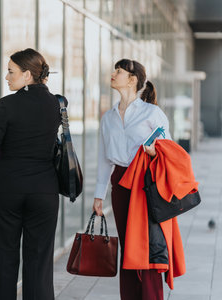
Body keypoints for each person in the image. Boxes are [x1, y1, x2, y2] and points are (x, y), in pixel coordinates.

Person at [0, 48, 61, 300]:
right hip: (44, 189)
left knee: (2, 258)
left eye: (11, 71)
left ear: (27, 75)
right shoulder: (57, 104)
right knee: (39, 262)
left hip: (8, 188)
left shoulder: (7, 104)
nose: (7, 77)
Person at [92, 59, 171, 300]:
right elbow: (105, 159)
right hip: (121, 184)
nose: (113, 74)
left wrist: (154, 152)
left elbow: (170, 151)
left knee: (146, 245)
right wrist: (99, 194)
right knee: (128, 246)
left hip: (145, 183)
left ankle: (151, 296)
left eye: (119, 71)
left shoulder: (152, 113)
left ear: (133, 79)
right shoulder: (108, 117)